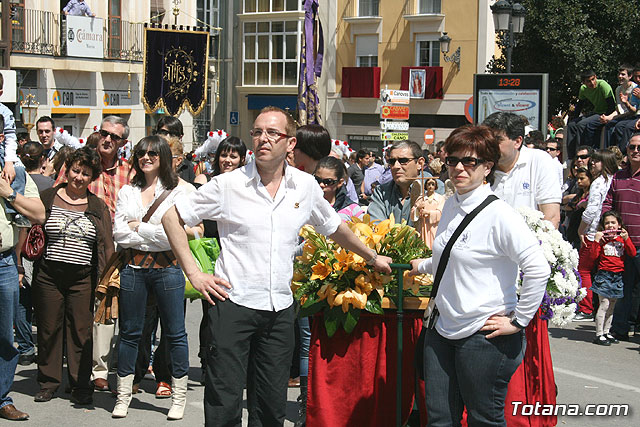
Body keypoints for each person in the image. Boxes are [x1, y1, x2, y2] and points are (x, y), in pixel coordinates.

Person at [161, 106, 392, 426]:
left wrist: (371, 257)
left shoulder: (306, 186)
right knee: (224, 401)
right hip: (232, 304)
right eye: (257, 132)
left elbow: (335, 227)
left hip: (280, 309)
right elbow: (171, 217)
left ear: (291, 143)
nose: (262, 139)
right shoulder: (228, 184)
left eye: (272, 133)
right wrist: (195, 273)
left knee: (270, 405)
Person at [409, 125, 550, 426]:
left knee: (483, 419)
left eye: (469, 161)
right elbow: (449, 258)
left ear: (487, 167)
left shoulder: (500, 215)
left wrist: (518, 321)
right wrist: (419, 266)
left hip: (484, 336)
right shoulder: (451, 205)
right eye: (452, 160)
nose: (459, 167)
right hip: (441, 328)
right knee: (439, 418)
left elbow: (538, 268)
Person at [482, 111, 560, 425]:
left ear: (517, 141)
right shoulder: (482, 166)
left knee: (526, 351)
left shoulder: (539, 162)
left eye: (496, 140)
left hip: (526, 269)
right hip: (487, 273)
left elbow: (551, 218)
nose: (489, 146)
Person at [110, 135, 196, 419]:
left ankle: (178, 397)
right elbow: (120, 234)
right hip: (133, 269)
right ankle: (123, 396)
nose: (145, 158)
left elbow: (174, 238)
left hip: (168, 269)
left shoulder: (178, 192)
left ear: (162, 157)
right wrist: (155, 231)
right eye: (141, 153)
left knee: (175, 333)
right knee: (130, 334)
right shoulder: (127, 191)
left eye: (152, 154)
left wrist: (141, 229)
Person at [31, 147, 113, 405]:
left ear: (92, 178)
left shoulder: (97, 206)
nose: (79, 177)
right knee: (48, 329)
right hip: (48, 274)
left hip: (82, 278)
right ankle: (48, 382)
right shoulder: (48, 197)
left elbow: (107, 244)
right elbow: (30, 226)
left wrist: (107, 278)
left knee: (80, 331)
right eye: (76, 171)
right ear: (67, 170)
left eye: (85, 173)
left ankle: (80, 384)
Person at [55, 115, 131, 391]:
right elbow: (57, 195)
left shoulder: (129, 171)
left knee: (108, 305)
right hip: (81, 245)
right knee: (82, 308)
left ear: (123, 142)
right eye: (104, 134)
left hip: (119, 247)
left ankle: (104, 368)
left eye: (114, 137)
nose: (108, 140)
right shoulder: (81, 165)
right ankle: (85, 369)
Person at [0, 116, 45, 422]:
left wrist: (9, 194)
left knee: (5, 335)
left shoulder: (13, 172)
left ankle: (2, 398)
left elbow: (39, 212)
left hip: (3, 261)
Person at [14, 143, 54, 368]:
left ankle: (26, 344)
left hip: (21, 247)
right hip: (44, 246)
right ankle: (47, 346)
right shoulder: (50, 185)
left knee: (22, 299)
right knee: (44, 298)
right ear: (43, 160)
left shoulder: (15, 181)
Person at [602, 132, 640, 341]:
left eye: (639, 148)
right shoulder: (618, 177)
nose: (635, 151)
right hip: (621, 244)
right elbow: (608, 203)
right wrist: (608, 224)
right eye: (632, 147)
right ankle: (621, 328)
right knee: (622, 287)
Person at [575, 149, 618, 319]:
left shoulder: (599, 182)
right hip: (611, 234)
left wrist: (581, 229)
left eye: (597, 161)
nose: (593, 163)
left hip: (593, 234)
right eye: (592, 160)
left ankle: (586, 308)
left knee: (584, 270)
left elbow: (592, 210)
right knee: (605, 272)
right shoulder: (616, 180)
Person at [590, 210, 636, 345]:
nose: (610, 226)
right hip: (604, 275)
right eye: (607, 223)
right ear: (603, 226)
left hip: (617, 276)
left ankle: (606, 332)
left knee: (612, 306)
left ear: (619, 225)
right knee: (604, 304)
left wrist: (627, 239)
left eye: (613, 223)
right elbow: (593, 257)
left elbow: (632, 253)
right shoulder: (603, 240)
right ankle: (598, 334)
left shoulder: (621, 239)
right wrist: (597, 241)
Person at [368, 140, 427, 225]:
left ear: (420, 163)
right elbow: (377, 229)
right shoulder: (381, 193)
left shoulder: (435, 192)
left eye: (403, 160)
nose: (396, 166)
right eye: (392, 162)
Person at [565, 70, 616, 157]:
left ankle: (582, 153)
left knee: (581, 125)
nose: (592, 83)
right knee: (572, 125)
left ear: (596, 77)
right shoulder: (583, 89)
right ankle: (570, 157)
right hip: (596, 112)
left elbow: (611, 105)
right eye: (588, 81)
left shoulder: (603, 85)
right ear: (584, 82)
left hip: (606, 113)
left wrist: (606, 117)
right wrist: (575, 119)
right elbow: (580, 105)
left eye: (593, 79)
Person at [314, 156, 364, 221]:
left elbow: (365, 229)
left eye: (328, 181)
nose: (321, 184)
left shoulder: (352, 209)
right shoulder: (305, 203)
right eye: (317, 179)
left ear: (340, 183)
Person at [155, 117, 194, 184]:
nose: (168, 136)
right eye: (163, 132)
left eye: (173, 134)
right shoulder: (149, 159)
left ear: (180, 137)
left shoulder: (187, 166)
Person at [411, 176, 445, 249]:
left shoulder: (440, 198)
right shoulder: (421, 198)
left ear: (435, 186)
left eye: (432, 184)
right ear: (426, 186)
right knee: (423, 243)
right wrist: (418, 208)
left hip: (434, 226)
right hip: (423, 225)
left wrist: (429, 213)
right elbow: (413, 212)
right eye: (429, 184)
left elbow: (441, 212)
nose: (430, 186)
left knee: (434, 242)